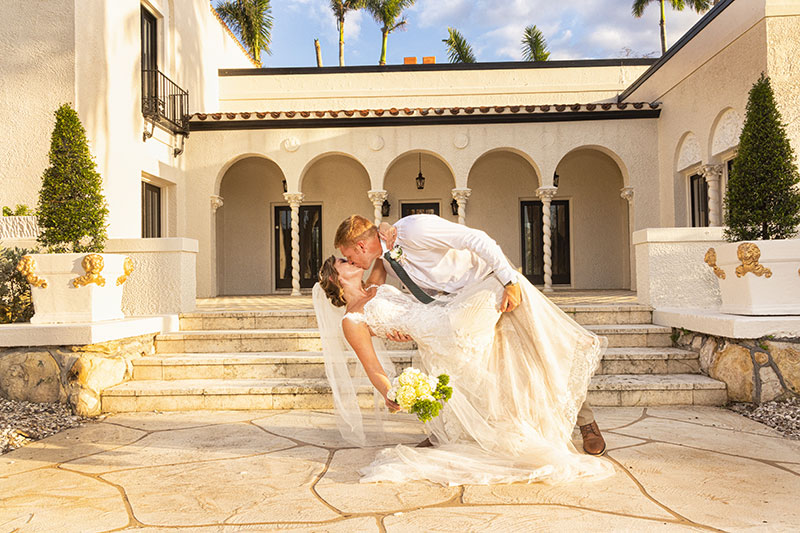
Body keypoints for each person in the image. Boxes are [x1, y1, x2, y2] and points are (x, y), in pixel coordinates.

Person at [311, 216, 613, 486]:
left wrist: (509, 280)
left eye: (349, 256)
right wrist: (392, 389)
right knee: (502, 373)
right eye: (345, 261)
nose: (350, 261)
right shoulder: (379, 270)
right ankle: (454, 433)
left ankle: (586, 422)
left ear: (362, 247)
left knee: (542, 346)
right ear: (337, 279)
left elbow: (475, 239)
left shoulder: (408, 235)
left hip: (485, 288)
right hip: (449, 314)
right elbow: (377, 350)